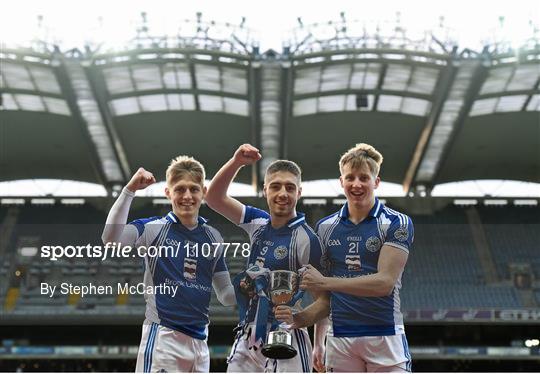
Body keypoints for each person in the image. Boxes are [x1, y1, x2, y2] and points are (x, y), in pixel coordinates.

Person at [276, 143, 413, 372]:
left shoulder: (397, 222)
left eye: (364, 178)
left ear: (376, 182)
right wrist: (309, 331)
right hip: (340, 339)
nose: (356, 184)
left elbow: (385, 283)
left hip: (385, 335)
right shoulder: (325, 227)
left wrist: (325, 282)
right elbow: (324, 298)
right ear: (341, 182)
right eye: (350, 177)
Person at [101, 156, 236, 373]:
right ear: (168, 193)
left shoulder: (214, 237)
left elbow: (226, 295)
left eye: (193, 189)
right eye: (180, 189)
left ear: (203, 192)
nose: (187, 196)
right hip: (163, 339)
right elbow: (111, 238)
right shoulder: (153, 229)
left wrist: (251, 285)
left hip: (200, 344)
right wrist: (130, 190)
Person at [205, 143, 323, 373]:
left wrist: (319, 344)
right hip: (248, 334)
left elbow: (324, 299)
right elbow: (214, 198)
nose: (282, 194)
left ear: (299, 192)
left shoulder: (307, 239)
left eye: (290, 188)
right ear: (265, 190)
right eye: (276, 186)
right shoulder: (257, 222)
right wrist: (236, 162)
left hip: (287, 332)